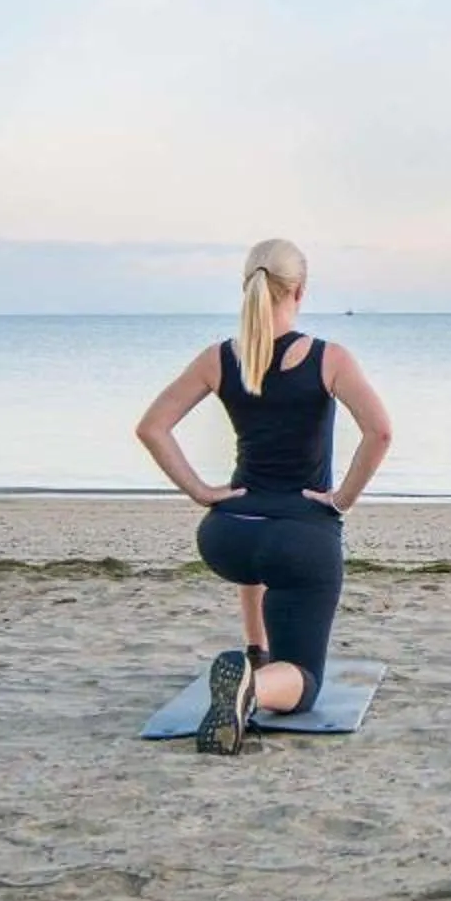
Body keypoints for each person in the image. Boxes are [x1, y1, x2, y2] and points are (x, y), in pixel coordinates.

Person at [136, 238, 394, 756]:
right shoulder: (328, 358)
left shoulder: (219, 358)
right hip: (300, 536)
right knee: (303, 682)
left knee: (261, 560)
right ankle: (253, 686)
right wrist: (341, 499)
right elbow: (380, 432)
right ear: (299, 289)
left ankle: (256, 650)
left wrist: (203, 493)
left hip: (228, 534)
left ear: (247, 287)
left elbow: (152, 428)